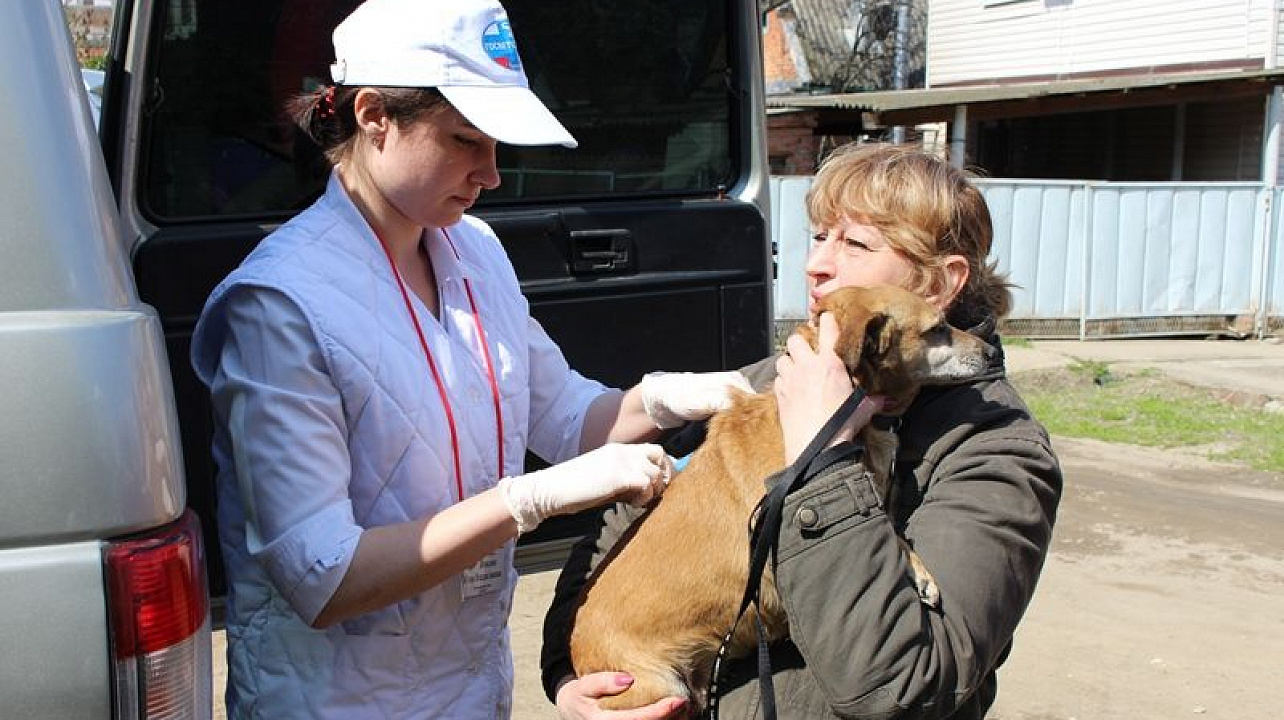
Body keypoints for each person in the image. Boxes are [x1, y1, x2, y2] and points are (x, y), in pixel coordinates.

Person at [189, 0, 749, 717]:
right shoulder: (280, 306)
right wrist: (525, 500)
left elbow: (567, 417)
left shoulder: (473, 249)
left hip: (472, 689)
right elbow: (322, 576)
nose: (491, 174)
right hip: (339, 703)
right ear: (372, 116)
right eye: (464, 141)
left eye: (496, 146)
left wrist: (675, 397)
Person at [541, 142, 1064, 720]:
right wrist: (573, 681)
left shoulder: (997, 451)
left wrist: (827, 453)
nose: (817, 264)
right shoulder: (767, 382)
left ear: (940, 285)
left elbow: (903, 687)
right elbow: (616, 534)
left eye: (856, 244)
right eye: (820, 236)